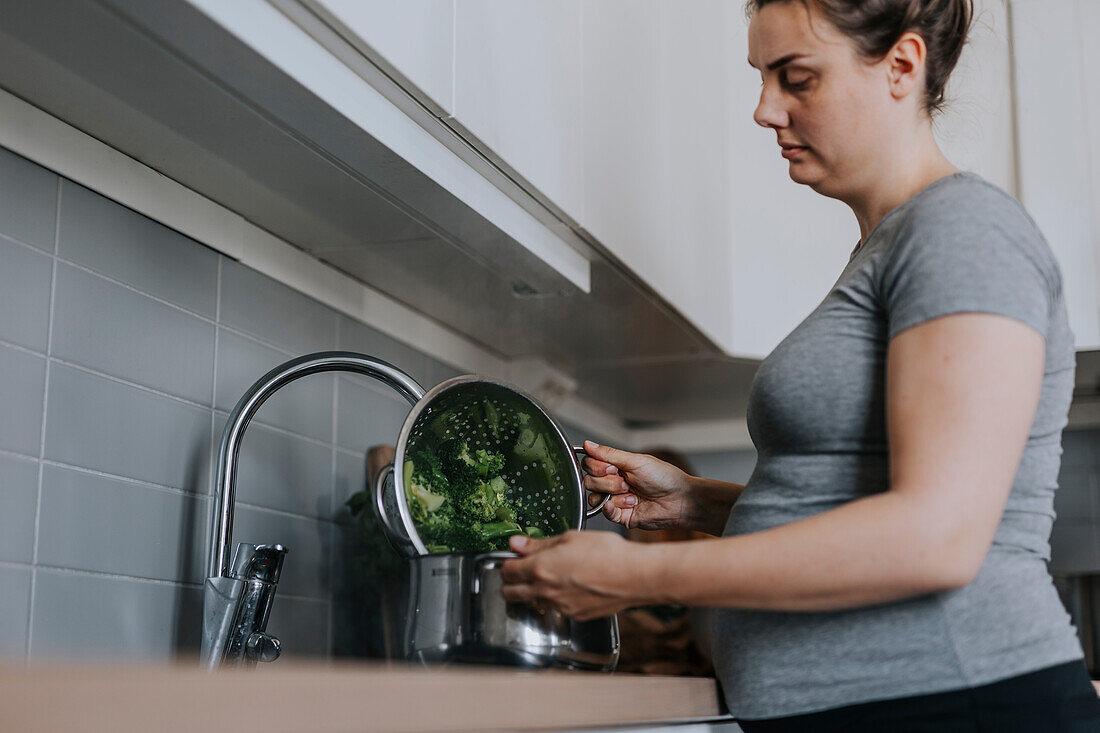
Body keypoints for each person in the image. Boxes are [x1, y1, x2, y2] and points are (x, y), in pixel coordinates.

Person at [499, 0, 1100, 728]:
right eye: (761, 77)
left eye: (797, 79)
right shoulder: (889, 246)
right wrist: (699, 502)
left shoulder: (962, 231)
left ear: (902, 66)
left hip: (958, 701)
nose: (763, 109)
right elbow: (861, 491)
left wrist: (639, 575)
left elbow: (936, 537)